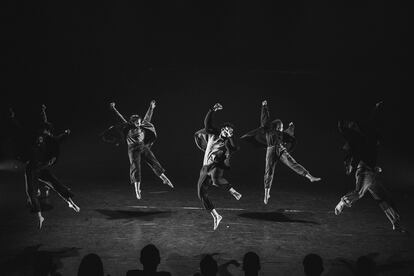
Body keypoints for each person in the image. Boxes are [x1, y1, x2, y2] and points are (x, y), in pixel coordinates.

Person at [334, 101, 405, 232]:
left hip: (372, 172)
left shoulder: (374, 139)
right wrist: (376, 108)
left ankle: (396, 222)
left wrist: (376, 166)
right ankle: (343, 201)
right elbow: (370, 122)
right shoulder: (368, 134)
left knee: (384, 197)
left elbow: (370, 152)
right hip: (365, 171)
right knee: (359, 193)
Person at [241, 100, 321, 204]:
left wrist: (291, 126)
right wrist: (264, 107)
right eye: (281, 125)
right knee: (268, 172)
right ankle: (266, 195)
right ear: (277, 126)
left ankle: (310, 177)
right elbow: (265, 119)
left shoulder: (281, 134)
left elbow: (289, 133)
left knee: (292, 163)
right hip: (272, 150)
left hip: (279, 149)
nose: (282, 127)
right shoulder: (268, 130)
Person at [17, 105, 80, 229]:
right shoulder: (38, 137)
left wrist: (66, 134)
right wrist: (43, 112)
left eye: (47, 132)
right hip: (32, 168)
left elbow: (57, 137)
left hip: (41, 168)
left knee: (56, 184)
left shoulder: (50, 139)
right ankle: (40, 216)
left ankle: (70, 203)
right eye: (44, 133)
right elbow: (44, 124)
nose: (45, 135)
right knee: (31, 192)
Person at [103, 100, 173, 200]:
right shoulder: (127, 127)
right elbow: (119, 116)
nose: (139, 124)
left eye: (140, 122)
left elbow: (148, 117)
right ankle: (137, 190)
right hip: (133, 149)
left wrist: (151, 107)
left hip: (142, 146)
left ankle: (164, 178)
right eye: (137, 123)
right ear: (132, 122)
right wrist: (114, 109)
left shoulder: (142, 125)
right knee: (136, 168)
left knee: (153, 161)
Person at [194, 103, 242, 230]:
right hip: (205, 167)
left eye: (230, 131)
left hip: (216, 166)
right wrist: (212, 110)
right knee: (201, 194)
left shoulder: (227, 143)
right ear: (222, 128)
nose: (227, 131)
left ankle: (233, 191)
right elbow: (207, 124)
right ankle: (216, 216)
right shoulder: (213, 133)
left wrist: (230, 137)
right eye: (226, 129)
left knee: (216, 180)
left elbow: (233, 147)